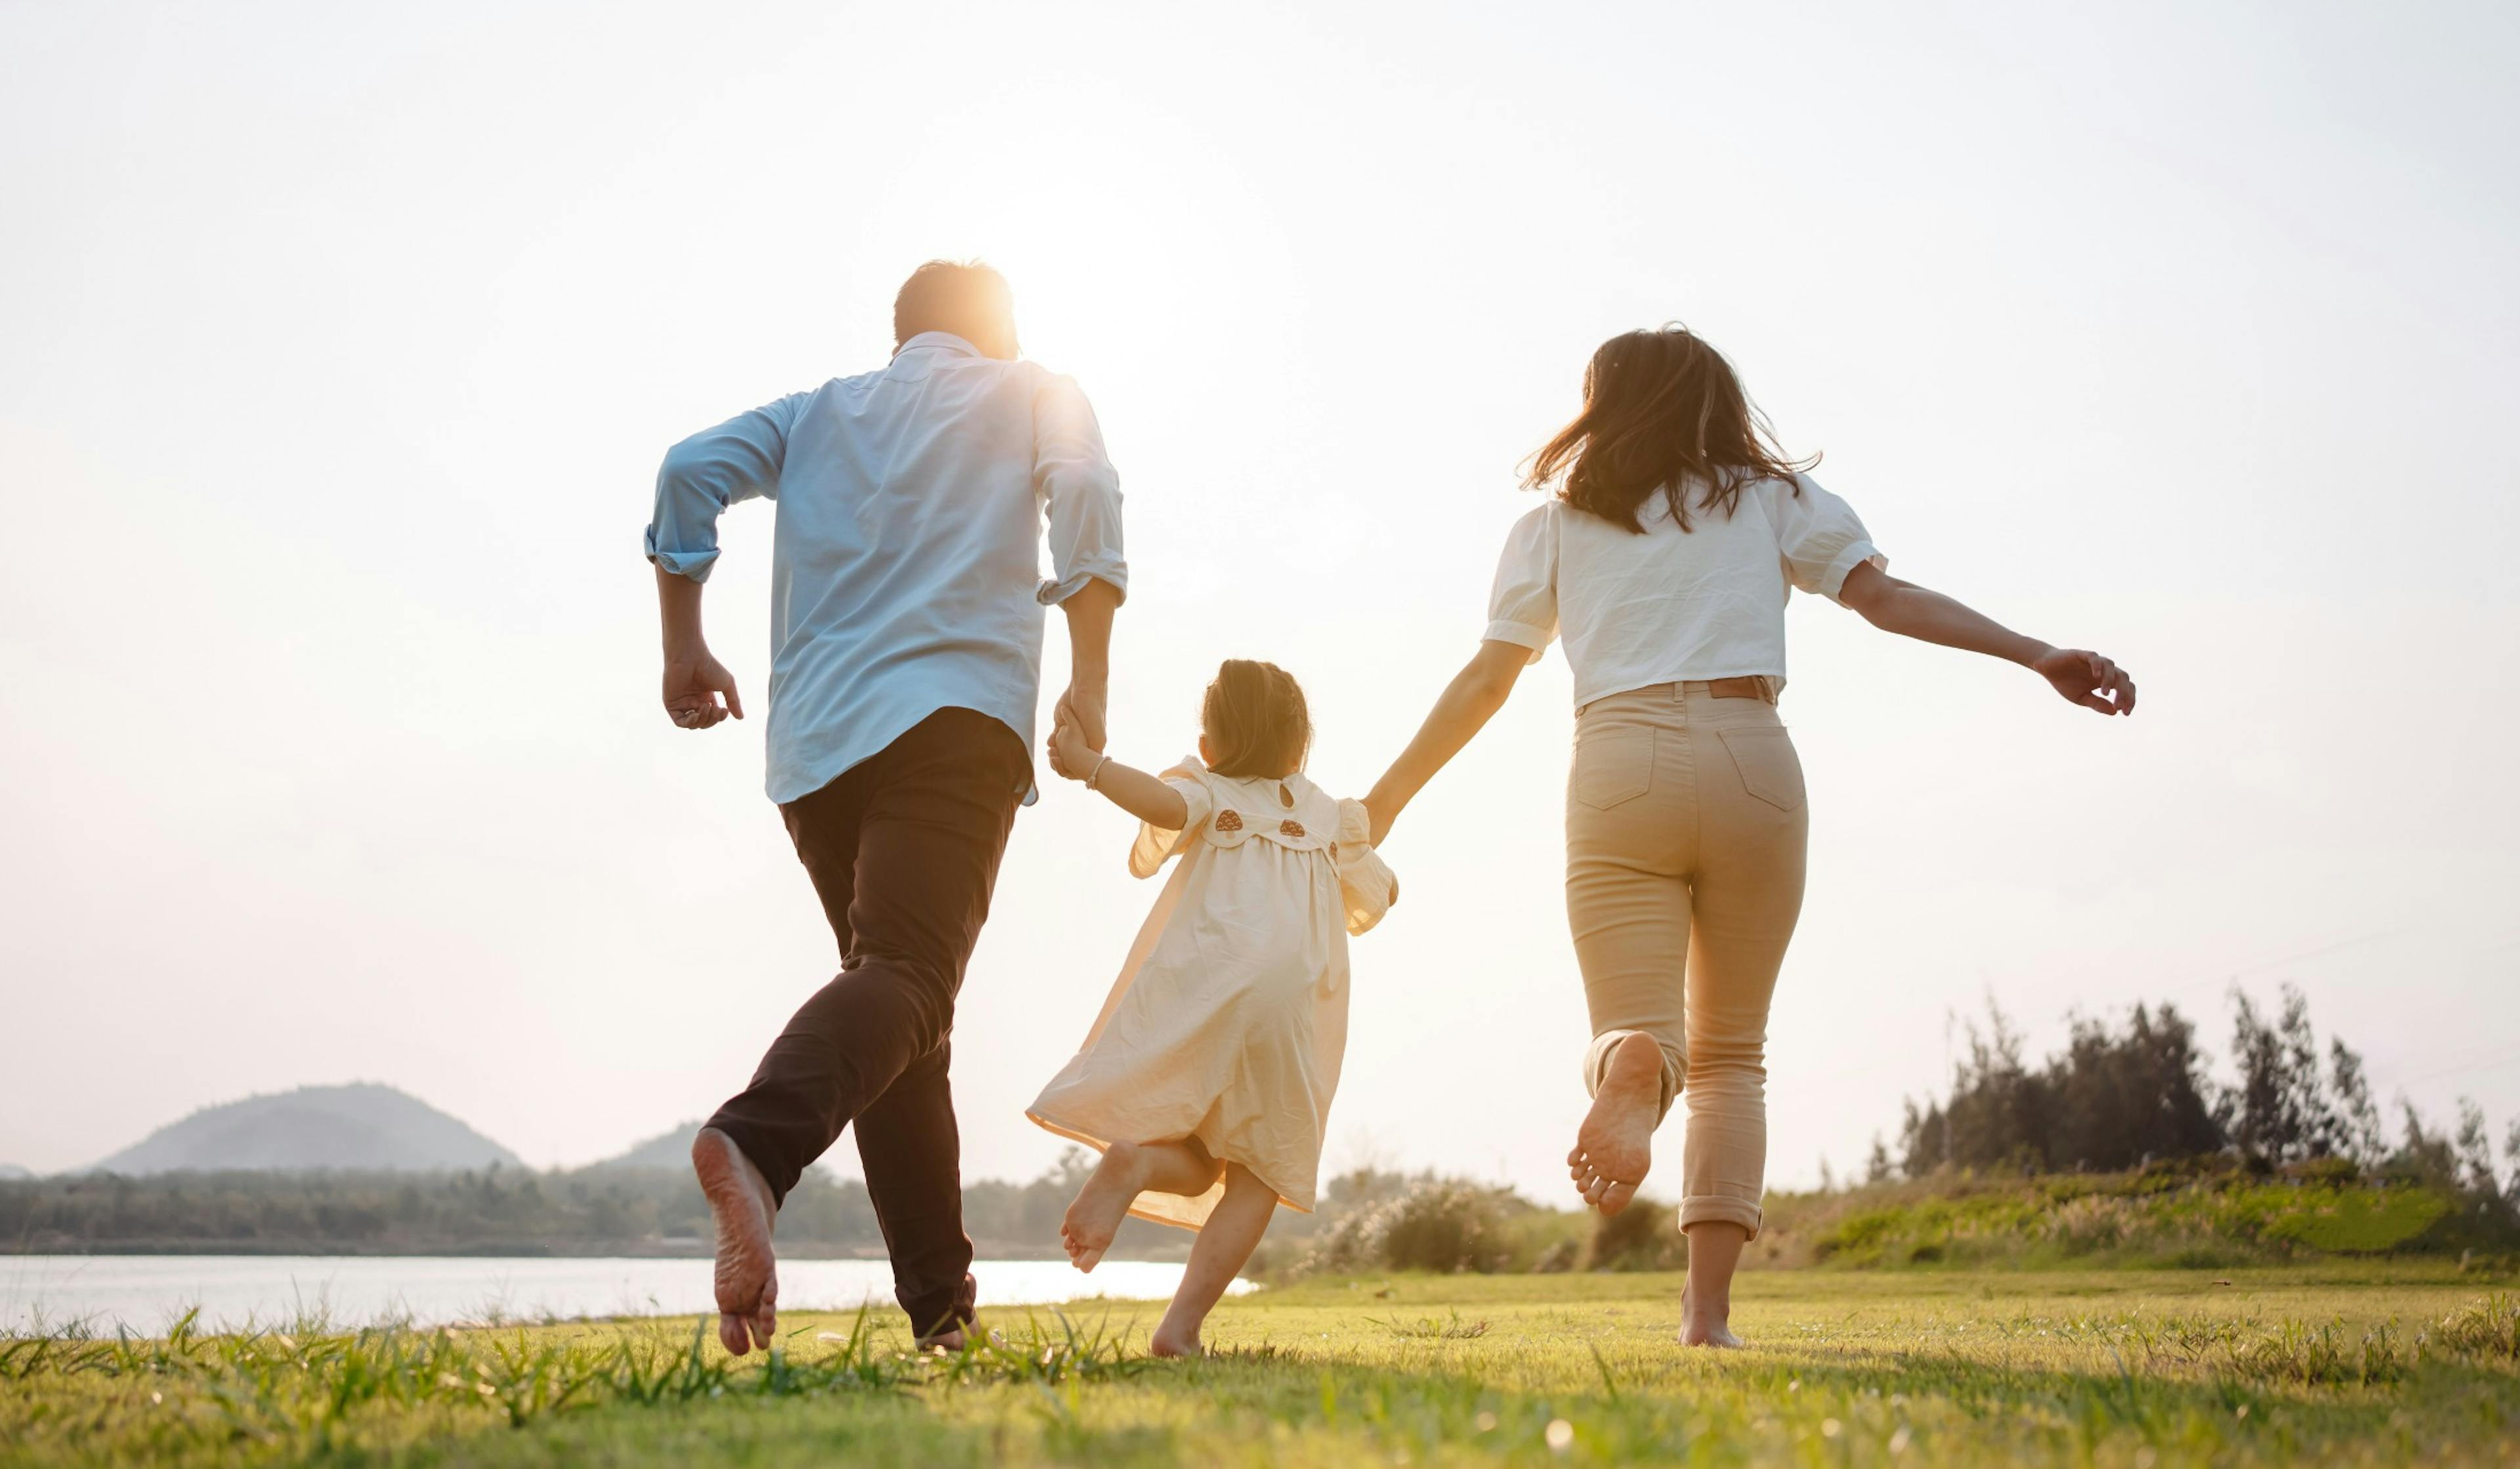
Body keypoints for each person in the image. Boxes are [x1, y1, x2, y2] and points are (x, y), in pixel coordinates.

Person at [1362, 325, 2133, 1347]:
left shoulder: (1555, 525)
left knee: (1641, 1027)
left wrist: (1385, 801)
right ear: (1717, 403)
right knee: (1733, 1055)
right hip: (1750, 757)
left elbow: (1490, 678)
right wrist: (2036, 652)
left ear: (1602, 407)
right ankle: (1708, 1317)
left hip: (1619, 761)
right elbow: (1884, 598)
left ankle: (1633, 1062)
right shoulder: (1774, 499)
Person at [642, 260, 1125, 1355]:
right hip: (952, 718)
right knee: (909, 984)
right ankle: (756, 1148)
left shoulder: (818, 412)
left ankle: (943, 1319)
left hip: (816, 748)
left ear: (900, 332)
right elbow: (1087, 490)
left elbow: (686, 469)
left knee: (905, 1022)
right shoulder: (1035, 386)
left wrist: (684, 645)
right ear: (999, 330)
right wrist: (1090, 674)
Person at [1027, 659, 1397, 1357]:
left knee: (1198, 1156)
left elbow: (1163, 808)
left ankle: (1135, 1161)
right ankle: (1181, 1327)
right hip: (1287, 1009)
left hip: (1211, 987)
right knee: (1260, 1175)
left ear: (1212, 745)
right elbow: (1382, 892)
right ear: (1299, 744)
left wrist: (1092, 766)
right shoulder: (1329, 815)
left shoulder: (1208, 789)